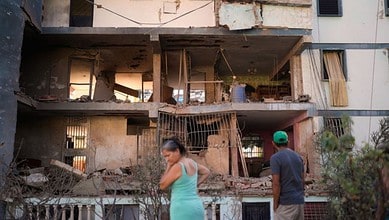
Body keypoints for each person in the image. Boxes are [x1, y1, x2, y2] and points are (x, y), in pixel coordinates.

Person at [159, 137, 210, 220]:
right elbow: (206, 172)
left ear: (177, 151)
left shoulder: (177, 167)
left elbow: (162, 185)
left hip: (182, 208)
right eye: (165, 157)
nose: (167, 159)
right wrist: (196, 184)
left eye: (168, 155)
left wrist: (168, 167)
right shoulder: (191, 162)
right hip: (196, 206)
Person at [270, 131, 305, 220]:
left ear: (273, 143)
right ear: (288, 142)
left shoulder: (275, 158)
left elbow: (276, 184)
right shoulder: (298, 157)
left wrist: (275, 204)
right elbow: (302, 180)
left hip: (286, 204)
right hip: (299, 202)